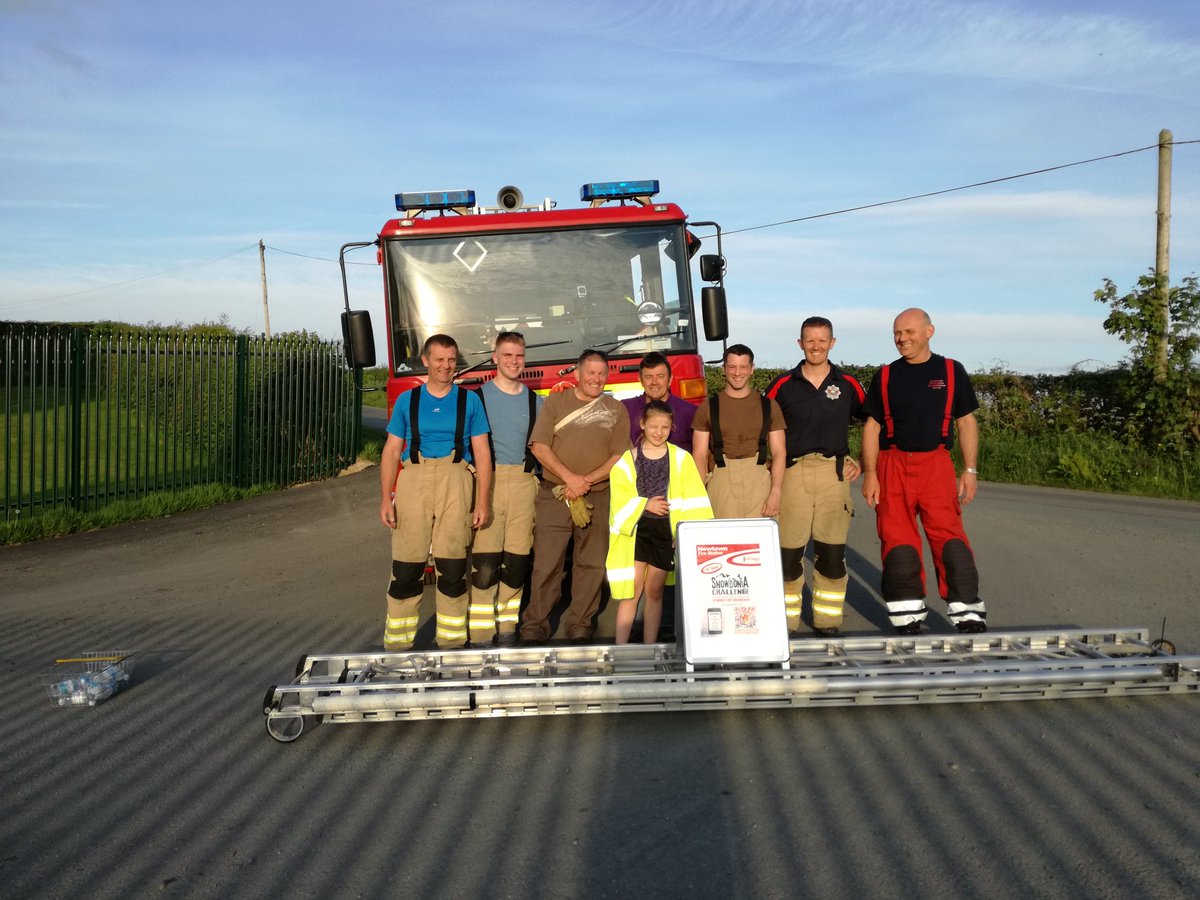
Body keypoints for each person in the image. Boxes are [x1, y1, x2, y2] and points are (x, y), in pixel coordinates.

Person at [860, 308, 987, 635]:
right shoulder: (885, 375)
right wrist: (870, 473)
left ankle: (968, 614)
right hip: (892, 466)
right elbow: (872, 428)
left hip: (936, 465)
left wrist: (969, 469)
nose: (902, 339)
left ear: (930, 331)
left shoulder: (951, 371)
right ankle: (907, 618)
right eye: (897, 333)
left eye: (909, 332)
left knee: (951, 541)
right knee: (897, 543)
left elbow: (966, 422)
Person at [379, 334, 491, 650]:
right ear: (426, 361)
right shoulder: (407, 401)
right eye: (439, 359)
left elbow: (482, 453)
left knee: (453, 566)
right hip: (413, 479)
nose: (446, 366)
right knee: (406, 566)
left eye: (452, 360)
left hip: (457, 479)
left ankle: (452, 643)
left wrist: (482, 500)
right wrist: (386, 498)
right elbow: (391, 452)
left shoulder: (469, 401)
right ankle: (398, 646)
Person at [519, 349, 631, 644]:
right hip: (555, 495)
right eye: (590, 373)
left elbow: (620, 456)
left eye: (601, 373)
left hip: (598, 495)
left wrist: (587, 481)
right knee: (547, 563)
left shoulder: (616, 410)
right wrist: (571, 480)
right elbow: (539, 447)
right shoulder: (555, 402)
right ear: (578, 375)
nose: (596, 379)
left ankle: (580, 623)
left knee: (591, 564)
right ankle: (535, 624)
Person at [765, 317, 866, 637]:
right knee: (788, 555)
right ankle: (786, 623)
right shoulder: (783, 385)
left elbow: (875, 424)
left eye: (822, 340)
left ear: (832, 343)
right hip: (792, 472)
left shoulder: (848, 384)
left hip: (833, 473)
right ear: (800, 343)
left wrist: (863, 461)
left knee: (832, 555)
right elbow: (763, 427)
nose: (816, 346)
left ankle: (827, 622)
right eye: (810, 340)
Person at [607, 400, 713, 644]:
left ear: (672, 428)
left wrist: (684, 533)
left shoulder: (681, 459)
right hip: (636, 532)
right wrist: (645, 504)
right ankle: (621, 650)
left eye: (665, 427)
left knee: (655, 592)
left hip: (666, 532)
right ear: (642, 424)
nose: (658, 432)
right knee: (632, 592)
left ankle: (650, 648)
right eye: (653, 426)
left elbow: (694, 497)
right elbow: (619, 499)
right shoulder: (627, 460)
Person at [468, 332, 543, 647]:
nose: (514, 361)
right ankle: (482, 634)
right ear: (495, 358)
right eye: (508, 355)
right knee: (485, 564)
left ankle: (508, 627)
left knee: (516, 562)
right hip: (489, 483)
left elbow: (544, 448)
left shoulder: (534, 400)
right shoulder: (477, 398)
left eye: (519, 356)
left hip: (524, 485)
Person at [691, 344, 786, 519]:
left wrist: (776, 492)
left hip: (759, 480)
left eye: (743, 367)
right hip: (721, 480)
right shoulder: (708, 407)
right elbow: (700, 454)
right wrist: (699, 497)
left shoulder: (769, 406)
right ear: (723, 369)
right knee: (723, 542)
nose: (737, 373)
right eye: (732, 367)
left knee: (761, 542)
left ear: (752, 369)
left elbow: (780, 452)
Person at [621, 351, 697, 453]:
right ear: (641, 380)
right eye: (648, 377)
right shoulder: (625, 409)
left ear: (670, 379)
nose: (654, 382)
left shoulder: (690, 412)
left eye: (660, 376)